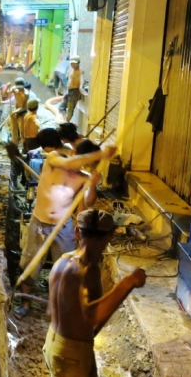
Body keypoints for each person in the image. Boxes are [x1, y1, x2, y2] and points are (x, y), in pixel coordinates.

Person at [41, 208, 146, 377]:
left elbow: (76, 313)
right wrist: (128, 282)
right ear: (110, 236)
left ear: (77, 233)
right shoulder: (87, 270)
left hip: (54, 343)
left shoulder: (63, 260)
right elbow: (92, 316)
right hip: (72, 355)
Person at [16, 133, 116, 317]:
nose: (82, 166)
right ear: (74, 154)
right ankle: (25, 303)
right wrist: (101, 154)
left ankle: (57, 306)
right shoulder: (55, 159)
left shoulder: (83, 177)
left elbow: (87, 204)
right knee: (30, 262)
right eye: (82, 160)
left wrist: (92, 185)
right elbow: (70, 164)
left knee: (65, 268)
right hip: (39, 222)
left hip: (63, 227)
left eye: (87, 164)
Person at [65, 56, 86, 124]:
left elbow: (82, 80)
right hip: (70, 91)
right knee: (65, 107)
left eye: (74, 63)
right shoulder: (73, 70)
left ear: (78, 63)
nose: (72, 65)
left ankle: (66, 124)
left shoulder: (80, 71)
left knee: (70, 108)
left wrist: (81, 87)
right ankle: (66, 122)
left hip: (75, 91)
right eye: (71, 63)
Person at [9, 77, 29, 145]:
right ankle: (15, 145)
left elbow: (23, 107)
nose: (19, 89)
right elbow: (6, 94)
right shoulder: (15, 90)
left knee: (22, 132)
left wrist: (15, 112)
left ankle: (24, 147)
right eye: (18, 87)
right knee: (14, 130)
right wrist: (8, 87)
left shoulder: (26, 94)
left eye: (21, 87)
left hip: (22, 112)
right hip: (15, 111)